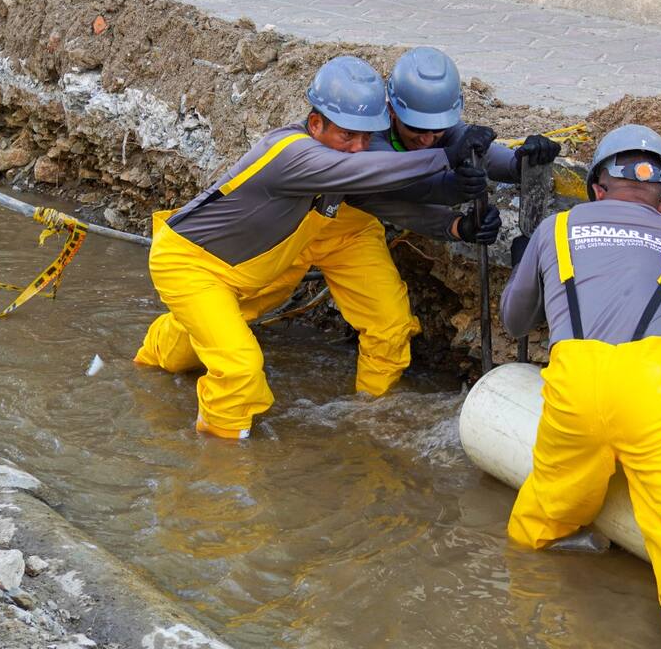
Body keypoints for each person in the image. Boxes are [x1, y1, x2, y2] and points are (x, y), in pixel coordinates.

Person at [134, 55, 495, 440]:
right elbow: (362, 171)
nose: (358, 147)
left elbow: (379, 199)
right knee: (236, 367)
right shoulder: (292, 153)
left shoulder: (345, 158)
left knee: (390, 327)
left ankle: (368, 422)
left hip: (274, 254)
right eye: (347, 135)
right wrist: (444, 157)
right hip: (193, 264)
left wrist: (456, 225)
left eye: (364, 137)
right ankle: (220, 469)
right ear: (315, 121)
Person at [499, 124, 661, 649]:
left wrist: (529, 261)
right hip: (658, 386)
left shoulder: (556, 228)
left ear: (594, 187)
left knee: (547, 509)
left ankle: (519, 603)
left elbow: (515, 320)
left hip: (575, 382)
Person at [356, 46, 561, 245]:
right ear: (391, 109)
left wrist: (520, 162)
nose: (427, 139)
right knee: (374, 190)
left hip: (365, 228)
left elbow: (477, 151)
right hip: (340, 216)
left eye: (437, 129)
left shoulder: (442, 125)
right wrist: (453, 186)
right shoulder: (365, 133)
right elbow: (402, 183)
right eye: (415, 128)